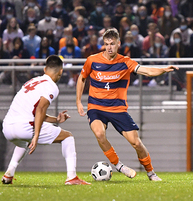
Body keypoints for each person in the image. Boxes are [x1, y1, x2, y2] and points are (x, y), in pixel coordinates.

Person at [76, 28, 178, 181]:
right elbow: (82, 78)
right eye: (106, 44)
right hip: (96, 107)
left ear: (118, 44)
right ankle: (119, 166)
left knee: (136, 143)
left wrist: (163, 69)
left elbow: (147, 71)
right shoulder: (92, 60)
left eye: (112, 44)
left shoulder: (125, 62)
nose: (109, 47)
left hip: (118, 109)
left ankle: (151, 173)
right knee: (99, 133)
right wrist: (78, 101)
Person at [1, 55, 90, 185]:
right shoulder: (51, 86)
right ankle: (72, 177)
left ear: (44, 69)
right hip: (25, 127)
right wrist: (36, 136)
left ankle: (9, 174)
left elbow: (34, 113)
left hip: (7, 127)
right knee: (68, 137)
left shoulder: (32, 81)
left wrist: (56, 120)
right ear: (61, 71)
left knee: (23, 143)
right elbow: (40, 110)